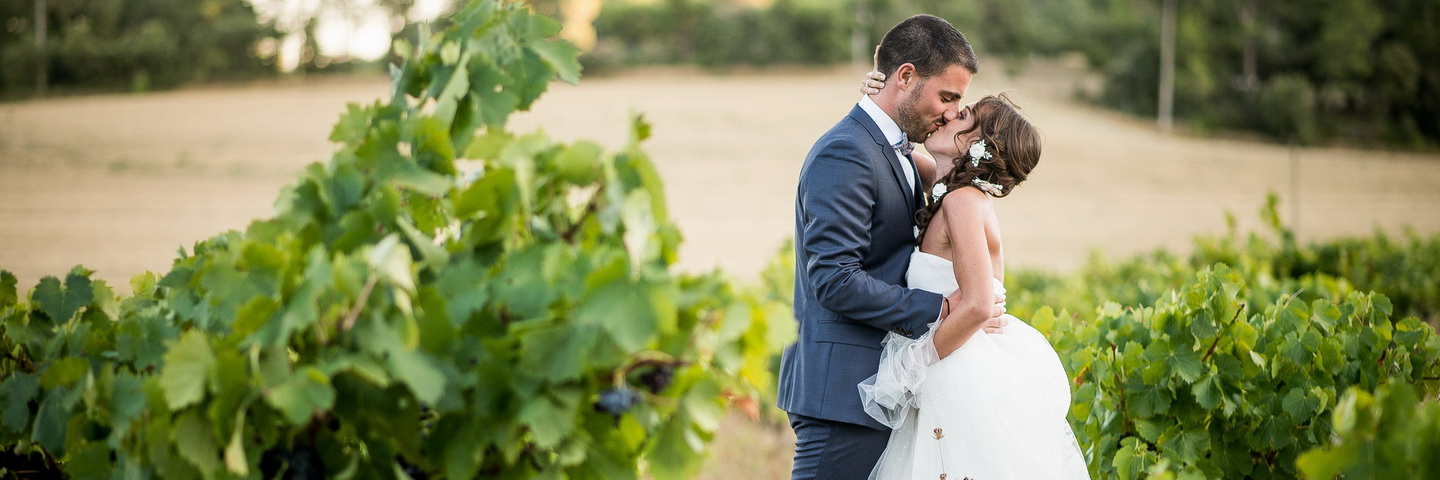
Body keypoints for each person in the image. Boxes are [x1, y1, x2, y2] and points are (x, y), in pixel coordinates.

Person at [777, 14, 1009, 480]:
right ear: (905, 77)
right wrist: (943, 309)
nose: (949, 113)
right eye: (947, 97)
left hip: (877, 390)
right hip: (843, 392)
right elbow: (835, 279)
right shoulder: (846, 152)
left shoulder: (900, 152)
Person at [855, 88, 1091, 479]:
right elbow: (887, 142)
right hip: (957, 359)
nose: (948, 117)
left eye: (962, 115)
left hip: (957, 367)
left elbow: (980, 304)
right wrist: (878, 95)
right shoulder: (948, 190)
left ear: (976, 144)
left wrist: (912, 364)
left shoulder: (962, 200)